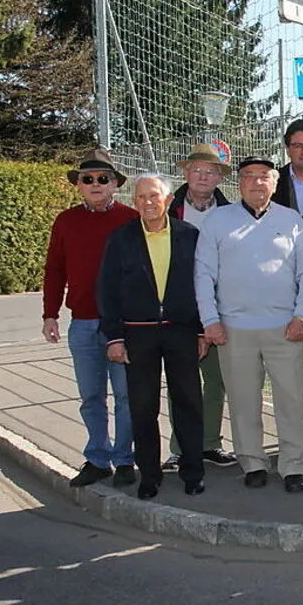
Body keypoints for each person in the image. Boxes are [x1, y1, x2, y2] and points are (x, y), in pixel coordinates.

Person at [195, 156, 303, 493]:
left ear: (275, 183)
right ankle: (252, 462)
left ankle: (294, 466)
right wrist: (210, 320)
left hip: (285, 327)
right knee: (242, 400)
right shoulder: (218, 220)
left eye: (264, 176)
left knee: (291, 400)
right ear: (239, 183)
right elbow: (203, 273)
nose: (256, 182)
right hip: (234, 328)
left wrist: (302, 315)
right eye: (248, 176)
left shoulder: (292, 220)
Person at [98, 174, 206, 499]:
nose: (148, 202)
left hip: (181, 330)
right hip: (138, 333)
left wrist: (202, 330)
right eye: (141, 197)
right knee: (143, 406)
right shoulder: (121, 239)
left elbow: (204, 284)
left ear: (168, 200)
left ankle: (193, 472)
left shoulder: (189, 235)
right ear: (134, 202)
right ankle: (149, 475)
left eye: (154, 196)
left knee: (188, 402)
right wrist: (114, 337)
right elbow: (107, 289)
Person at [43, 148, 137, 488]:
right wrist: (50, 314)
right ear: (79, 185)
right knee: (91, 396)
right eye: (88, 179)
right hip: (82, 322)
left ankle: (124, 459)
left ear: (114, 184)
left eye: (103, 178)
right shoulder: (65, 221)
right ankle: (98, 459)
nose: (95, 184)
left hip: (124, 325)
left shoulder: (131, 219)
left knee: (127, 396)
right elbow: (55, 269)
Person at [161, 144, 235, 472]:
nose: (203, 177)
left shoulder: (231, 213)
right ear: (186, 173)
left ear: (219, 177)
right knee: (181, 379)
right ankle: (180, 448)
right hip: (178, 307)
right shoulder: (168, 210)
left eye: (210, 172)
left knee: (216, 380)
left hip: (220, 307)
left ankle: (210, 443)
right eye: (197, 170)